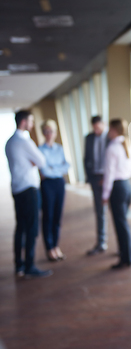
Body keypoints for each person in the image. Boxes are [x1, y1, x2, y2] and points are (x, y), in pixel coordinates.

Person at [5, 110, 53, 279]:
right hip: (29, 189)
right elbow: (42, 161)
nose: (32, 125)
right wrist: (33, 162)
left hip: (17, 189)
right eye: (31, 121)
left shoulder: (9, 142)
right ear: (24, 122)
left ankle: (19, 265)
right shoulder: (24, 141)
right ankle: (30, 266)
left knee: (20, 228)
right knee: (32, 228)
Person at [103, 118, 131, 269]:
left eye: (109, 129)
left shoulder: (112, 148)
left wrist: (105, 194)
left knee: (120, 223)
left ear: (114, 130)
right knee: (123, 223)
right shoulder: (127, 145)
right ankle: (127, 254)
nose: (108, 132)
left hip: (117, 188)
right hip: (127, 185)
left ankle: (126, 258)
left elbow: (109, 174)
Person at [39, 119, 70, 262]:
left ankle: (56, 246)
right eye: (46, 131)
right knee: (48, 216)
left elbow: (66, 166)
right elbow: (44, 171)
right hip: (47, 185)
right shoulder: (40, 150)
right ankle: (49, 248)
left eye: (51, 131)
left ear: (55, 133)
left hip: (59, 183)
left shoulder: (59, 148)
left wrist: (53, 169)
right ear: (43, 133)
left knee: (57, 216)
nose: (48, 134)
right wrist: (56, 169)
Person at [84, 115, 109, 255]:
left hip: (109, 179)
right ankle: (101, 242)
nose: (96, 130)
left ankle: (122, 247)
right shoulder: (88, 138)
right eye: (94, 128)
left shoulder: (110, 138)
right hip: (95, 177)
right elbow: (86, 157)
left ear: (103, 124)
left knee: (117, 213)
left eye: (98, 127)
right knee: (100, 211)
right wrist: (89, 176)